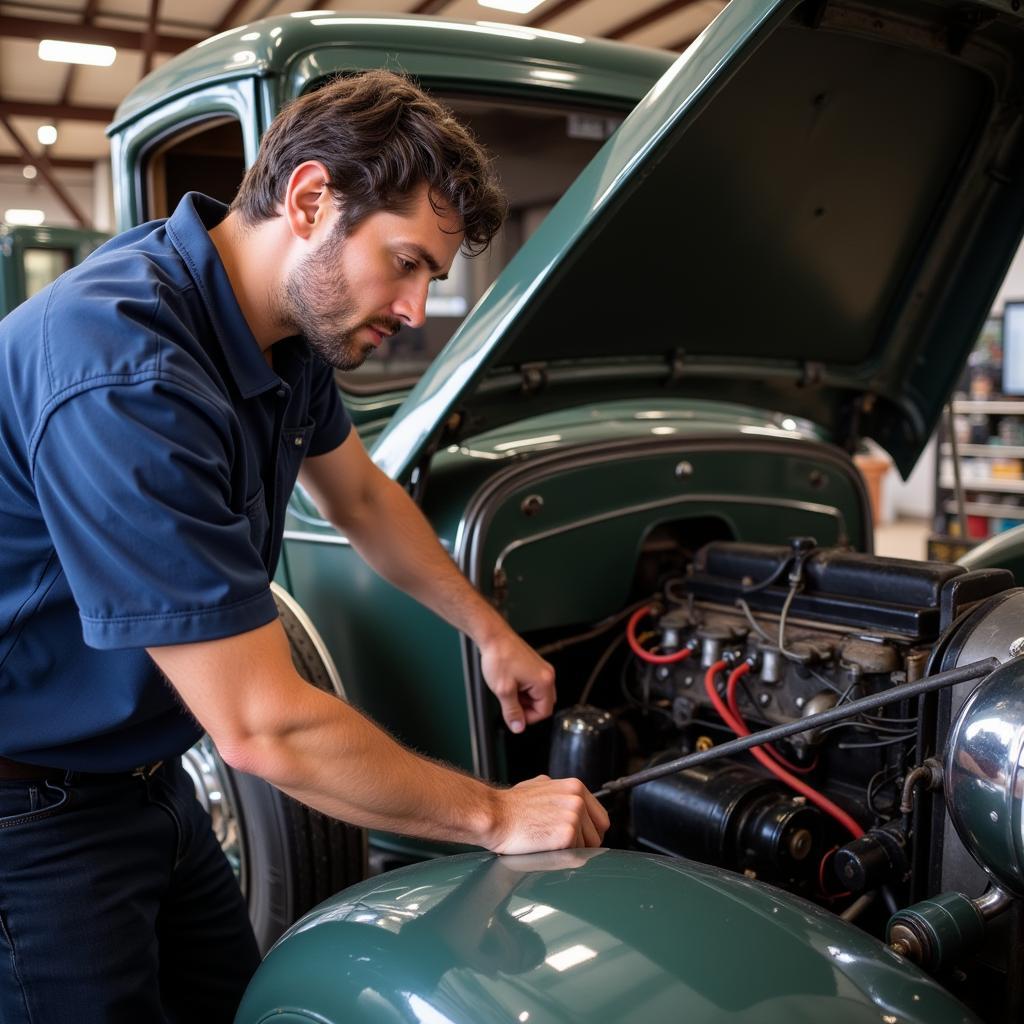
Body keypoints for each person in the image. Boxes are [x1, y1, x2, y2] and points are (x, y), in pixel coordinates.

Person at [0, 69, 608, 1023]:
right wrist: (495, 813)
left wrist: (489, 632)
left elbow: (363, 498)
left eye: (431, 279)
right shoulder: (122, 371)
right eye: (406, 262)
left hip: (149, 783)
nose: (416, 308)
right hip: (28, 816)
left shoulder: (285, 333)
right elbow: (261, 724)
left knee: (237, 1004)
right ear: (311, 197)